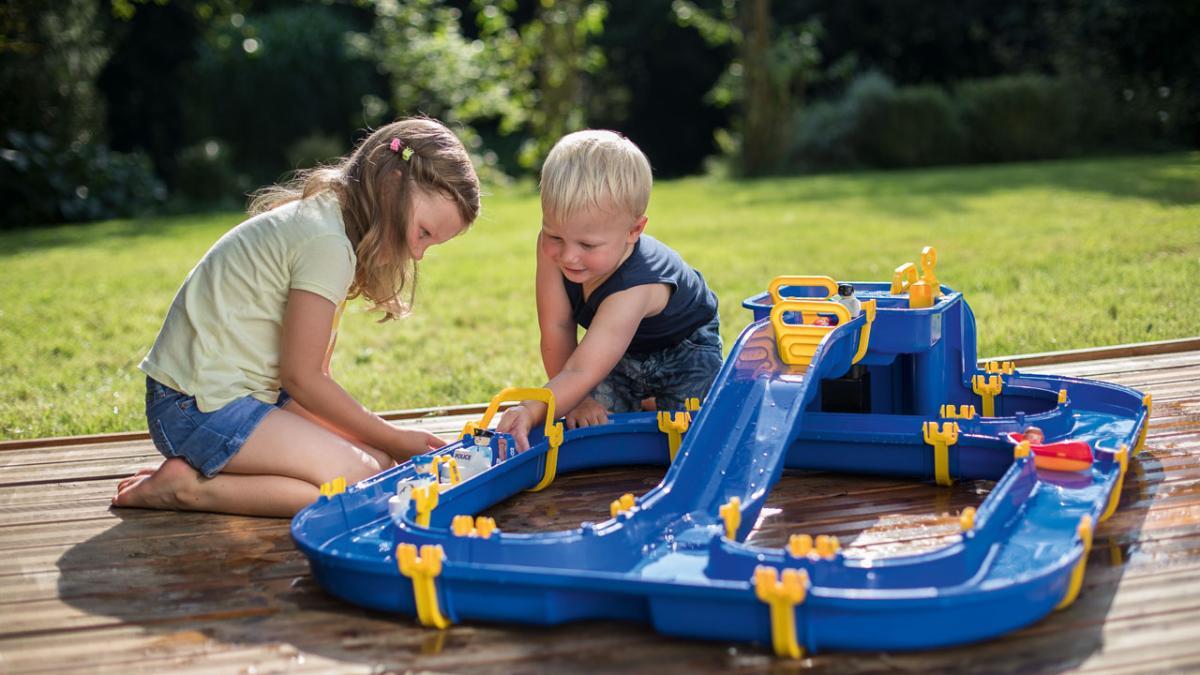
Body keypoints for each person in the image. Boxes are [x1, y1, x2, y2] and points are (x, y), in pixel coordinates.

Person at [112, 118, 481, 517]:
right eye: (423, 232)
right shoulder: (326, 243)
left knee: (381, 467)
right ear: (391, 184)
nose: (418, 253)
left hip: (237, 396)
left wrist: (386, 443)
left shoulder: (332, 224)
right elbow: (302, 378)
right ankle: (188, 489)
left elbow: (313, 374)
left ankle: (206, 471)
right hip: (197, 407)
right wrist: (391, 434)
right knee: (362, 486)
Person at [497, 130, 721, 451]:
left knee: (694, 433)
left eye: (587, 245)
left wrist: (532, 409)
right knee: (592, 425)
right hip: (613, 354)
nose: (568, 255)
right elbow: (557, 327)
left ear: (634, 231)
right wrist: (578, 400)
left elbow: (583, 369)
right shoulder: (553, 250)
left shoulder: (636, 284)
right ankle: (641, 398)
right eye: (555, 236)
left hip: (684, 354)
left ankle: (655, 398)